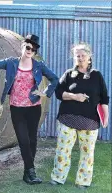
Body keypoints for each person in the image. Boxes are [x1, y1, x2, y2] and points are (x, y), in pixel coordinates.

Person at [0, 34, 59, 184]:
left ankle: (27, 173)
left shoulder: (38, 66)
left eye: (34, 49)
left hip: (33, 108)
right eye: (28, 47)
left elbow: (55, 79)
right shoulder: (11, 63)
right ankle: (31, 172)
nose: (31, 50)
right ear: (22, 47)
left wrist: (45, 93)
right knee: (23, 140)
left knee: (32, 140)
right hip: (17, 108)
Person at [50, 43, 109, 189]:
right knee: (63, 150)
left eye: (83, 55)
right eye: (78, 56)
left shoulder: (97, 75)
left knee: (87, 153)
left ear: (89, 57)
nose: (80, 58)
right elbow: (58, 93)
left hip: (90, 121)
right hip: (67, 118)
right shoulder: (69, 74)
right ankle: (58, 178)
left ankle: (83, 181)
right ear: (74, 58)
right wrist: (74, 96)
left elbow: (104, 98)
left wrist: (106, 117)